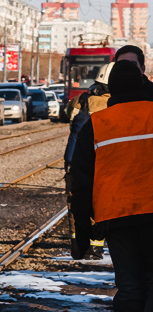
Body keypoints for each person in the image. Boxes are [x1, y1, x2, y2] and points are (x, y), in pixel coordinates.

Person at [71, 60, 153, 311]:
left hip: (116, 216)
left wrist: (82, 231)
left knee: (129, 287)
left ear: (112, 89)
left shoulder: (96, 124)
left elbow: (81, 181)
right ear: (141, 84)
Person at [64, 62, 112, 259]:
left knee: (75, 201)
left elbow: (69, 115)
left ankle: (78, 246)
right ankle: (97, 246)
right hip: (105, 159)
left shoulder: (81, 100)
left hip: (76, 158)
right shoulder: (116, 103)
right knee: (102, 201)